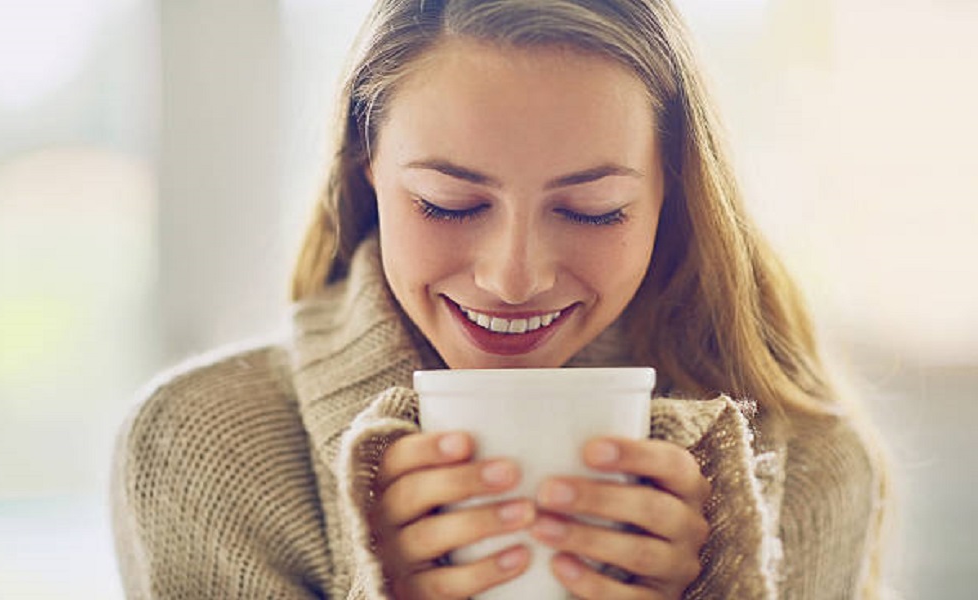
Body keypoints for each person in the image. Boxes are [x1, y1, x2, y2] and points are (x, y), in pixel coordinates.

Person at [111, 1, 892, 598]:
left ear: (673, 196)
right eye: (449, 203)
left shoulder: (806, 465)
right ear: (365, 171)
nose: (512, 278)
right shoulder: (200, 448)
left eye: (592, 211)